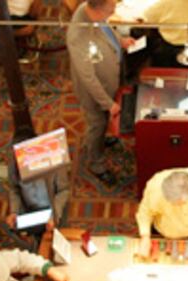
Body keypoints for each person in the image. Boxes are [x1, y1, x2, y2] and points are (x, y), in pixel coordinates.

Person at [67, 0, 134, 184]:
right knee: (97, 125)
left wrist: (120, 42)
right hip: (95, 94)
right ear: (97, 9)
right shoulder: (78, 36)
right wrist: (108, 103)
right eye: (111, 9)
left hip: (110, 79)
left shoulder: (92, 12)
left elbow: (106, 30)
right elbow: (88, 78)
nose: (114, 11)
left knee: (104, 123)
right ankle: (96, 161)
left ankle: (103, 139)